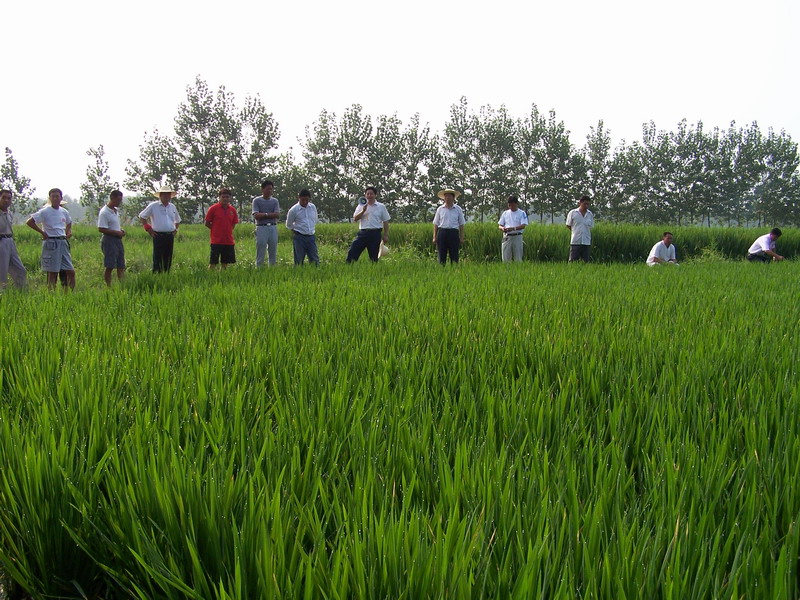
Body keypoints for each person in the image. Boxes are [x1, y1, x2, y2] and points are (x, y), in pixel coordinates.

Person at [26, 188, 75, 290]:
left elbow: (69, 222)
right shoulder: (45, 211)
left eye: (57, 196)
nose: (55, 198)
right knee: (53, 272)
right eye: (53, 196)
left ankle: (71, 293)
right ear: (49, 198)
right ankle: (51, 294)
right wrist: (42, 232)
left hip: (63, 242)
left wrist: (67, 232)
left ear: (61, 198)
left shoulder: (64, 211)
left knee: (70, 271)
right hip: (51, 242)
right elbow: (30, 222)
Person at [139, 185, 181, 273]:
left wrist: (175, 230)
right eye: (164, 194)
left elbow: (177, 220)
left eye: (168, 194)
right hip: (158, 235)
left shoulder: (172, 207)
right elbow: (142, 216)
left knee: (168, 258)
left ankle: (166, 275)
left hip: (170, 235)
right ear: (160, 195)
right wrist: (148, 229)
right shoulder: (153, 206)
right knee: (158, 258)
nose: (166, 196)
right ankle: (156, 275)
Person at [346, 186, 390, 263]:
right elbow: (355, 219)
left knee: (374, 257)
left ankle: (373, 268)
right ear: (365, 195)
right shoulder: (360, 206)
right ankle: (348, 266)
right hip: (363, 233)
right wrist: (363, 210)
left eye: (371, 194)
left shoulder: (381, 206)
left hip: (375, 234)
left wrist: (386, 235)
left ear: (375, 195)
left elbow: (385, 221)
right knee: (353, 251)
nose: (369, 196)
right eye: (368, 194)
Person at [205, 188, 239, 269]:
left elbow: (233, 224)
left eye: (227, 197)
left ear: (230, 198)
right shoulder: (213, 209)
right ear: (219, 197)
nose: (225, 199)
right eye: (223, 197)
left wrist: (227, 231)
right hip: (216, 241)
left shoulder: (233, 210)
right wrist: (216, 230)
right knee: (213, 263)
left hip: (228, 241)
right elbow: (207, 223)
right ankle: (210, 276)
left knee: (225, 264)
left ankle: (222, 276)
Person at [97, 190, 126, 285]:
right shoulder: (104, 212)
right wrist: (116, 232)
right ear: (112, 198)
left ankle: (122, 284)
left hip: (118, 240)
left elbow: (113, 225)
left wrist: (120, 231)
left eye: (120, 200)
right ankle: (108, 286)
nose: (119, 202)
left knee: (121, 264)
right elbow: (101, 228)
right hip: (109, 240)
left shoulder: (115, 211)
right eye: (118, 200)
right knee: (110, 265)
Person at [0, 189, 27, 290]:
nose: (6, 200)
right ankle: (2, 293)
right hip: (1, 241)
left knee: (20, 270)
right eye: (4, 198)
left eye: (9, 198)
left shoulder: (9, 213)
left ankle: (21, 291)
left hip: (10, 241)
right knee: (2, 271)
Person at [285, 189, 319, 265]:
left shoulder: (312, 207)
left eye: (307, 200)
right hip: (299, 237)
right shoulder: (293, 210)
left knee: (314, 259)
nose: (305, 202)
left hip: (311, 236)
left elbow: (315, 219)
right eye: (303, 200)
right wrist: (296, 230)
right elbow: (288, 224)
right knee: (299, 260)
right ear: (299, 198)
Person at [432, 189, 466, 264]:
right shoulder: (440, 209)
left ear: (453, 198)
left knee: (454, 255)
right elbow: (436, 224)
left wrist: (461, 237)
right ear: (444, 198)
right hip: (442, 232)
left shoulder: (458, 209)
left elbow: (461, 224)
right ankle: (442, 269)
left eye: (449, 196)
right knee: (441, 254)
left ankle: (454, 269)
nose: (447, 198)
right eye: (446, 196)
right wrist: (434, 237)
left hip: (453, 233)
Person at [252, 180, 280, 267]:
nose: (270, 191)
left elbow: (277, 215)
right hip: (261, 227)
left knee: (273, 249)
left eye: (271, 189)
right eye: (268, 189)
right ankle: (259, 268)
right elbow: (256, 215)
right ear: (262, 189)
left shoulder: (275, 201)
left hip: (273, 227)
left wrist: (264, 215)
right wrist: (269, 215)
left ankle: (272, 268)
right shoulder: (256, 201)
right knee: (261, 248)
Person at [498, 195, 528, 262]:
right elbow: (500, 225)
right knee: (505, 258)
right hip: (507, 236)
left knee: (518, 257)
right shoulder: (505, 213)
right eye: (509, 205)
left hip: (517, 236)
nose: (511, 207)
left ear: (516, 204)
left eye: (512, 205)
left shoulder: (521, 213)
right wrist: (503, 228)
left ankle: (518, 268)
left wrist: (513, 228)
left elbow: (523, 225)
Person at [565, 195, 594, 262]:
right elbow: (568, 225)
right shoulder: (573, 213)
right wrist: (575, 231)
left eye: (588, 204)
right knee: (573, 261)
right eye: (585, 204)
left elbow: (590, 227)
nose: (586, 206)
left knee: (585, 261)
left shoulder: (590, 214)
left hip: (586, 241)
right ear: (580, 202)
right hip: (576, 241)